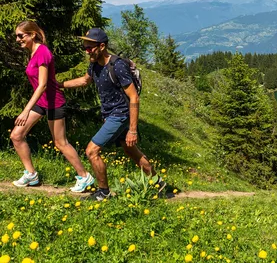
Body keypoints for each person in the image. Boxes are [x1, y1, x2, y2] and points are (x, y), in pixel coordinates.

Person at [58, 28, 164, 201]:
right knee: (131, 151)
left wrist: (133, 130)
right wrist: (58, 84)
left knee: (91, 151)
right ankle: (158, 183)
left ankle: (103, 192)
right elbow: (85, 81)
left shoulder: (117, 65)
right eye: (85, 48)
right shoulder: (94, 63)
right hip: (110, 114)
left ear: (102, 46)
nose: (87, 52)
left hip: (120, 114)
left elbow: (134, 97)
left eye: (89, 48)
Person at [11, 21, 94, 192]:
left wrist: (26, 111)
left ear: (32, 34)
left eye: (21, 35)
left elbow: (42, 85)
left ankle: (85, 176)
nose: (18, 39)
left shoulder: (42, 52)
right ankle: (31, 174)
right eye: (16, 36)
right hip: (42, 102)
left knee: (60, 142)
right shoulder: (32, 52)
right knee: (16, 135)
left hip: (53, 102)